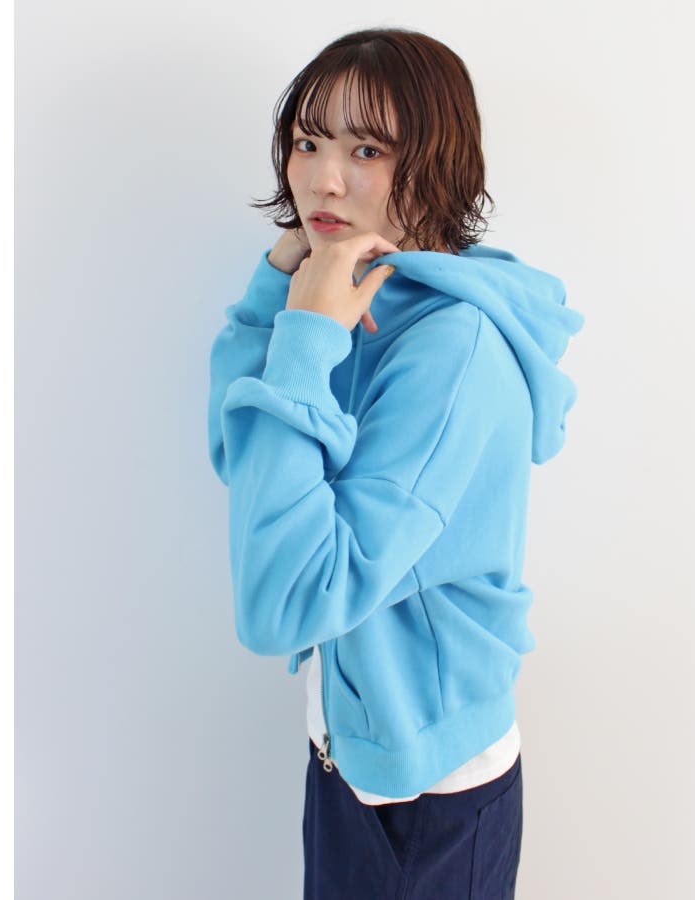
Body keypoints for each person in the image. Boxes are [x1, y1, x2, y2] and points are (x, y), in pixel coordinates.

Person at [207, 26, 584, 900]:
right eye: (308, 142)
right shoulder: (359, 292)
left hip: (427, 794)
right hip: (352, 743)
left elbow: (283, 601)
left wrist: (306, 334)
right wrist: (276, 298)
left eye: (366, 150)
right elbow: (241, 455)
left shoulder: (452, 350)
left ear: (436, 165)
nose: (322, 180)